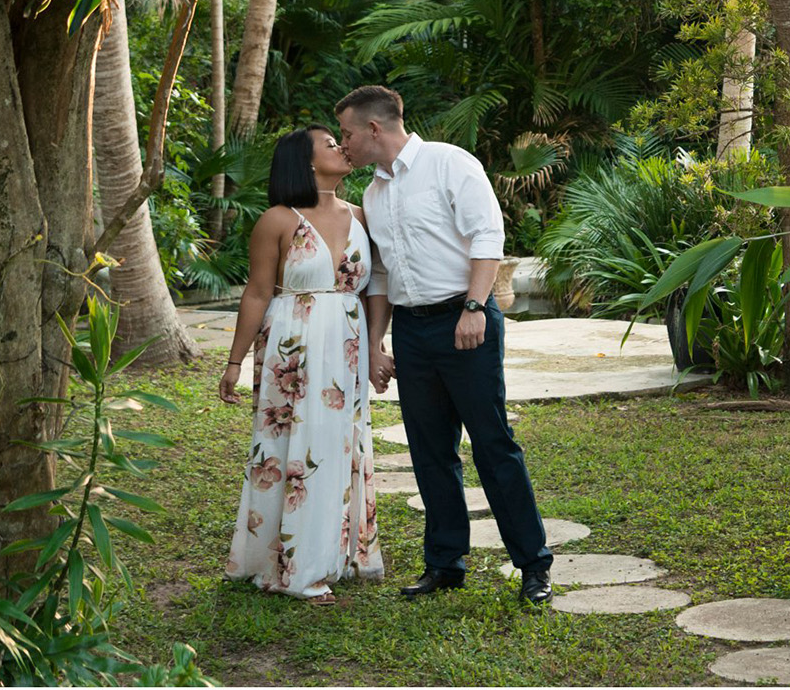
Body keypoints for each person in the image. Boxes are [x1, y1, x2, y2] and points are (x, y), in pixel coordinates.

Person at [332, 84, 553, 606]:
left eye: (345, 133)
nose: (343, 145)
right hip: (412, 330)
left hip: (465, 317)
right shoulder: (373, 193)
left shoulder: (450, 164)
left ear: (373, 129)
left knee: (493, 444)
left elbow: (487, 238)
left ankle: (533, 564)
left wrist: (475, 308)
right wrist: (378, 343)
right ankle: (446, 563)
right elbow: (381, 274)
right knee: (430, 452)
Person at [217, 126, 386, 603]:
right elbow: (257, 292)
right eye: (330, 143)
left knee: (337, 444)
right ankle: (293, 566)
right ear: (306, 162)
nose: (341, 147)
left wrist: (376, 347)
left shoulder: (362, 215)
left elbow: (375, 289)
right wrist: (234, 361)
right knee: (290, 447)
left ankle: (337, 554)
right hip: (292, 346)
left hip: (346, 345)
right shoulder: (277, 220)